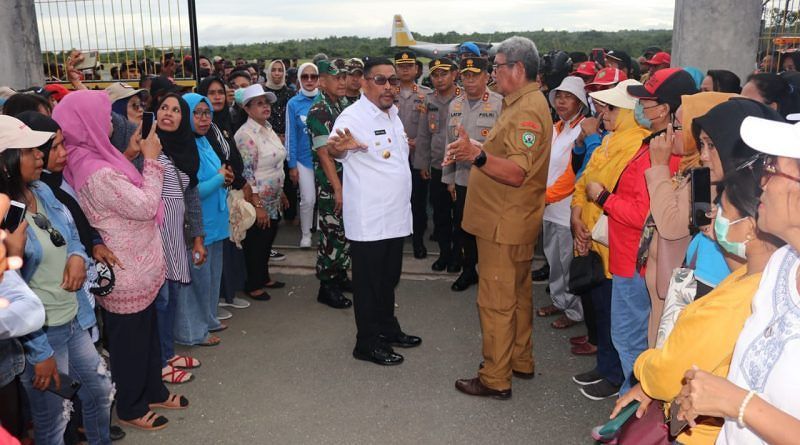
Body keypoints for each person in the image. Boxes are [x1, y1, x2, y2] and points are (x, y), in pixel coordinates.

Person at [611, 166, 782, 445]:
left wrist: (643, 366)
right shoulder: (759, 276)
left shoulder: (738, 299)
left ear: (752, 226)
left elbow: (670, 373)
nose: (714, 216)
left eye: (723, 210)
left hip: (695, 433)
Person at [53, 91, 188, 431]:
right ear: (85, 123)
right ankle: (130, 405)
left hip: (139, 263)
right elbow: (143, 205)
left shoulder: (95, 156)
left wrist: (133, 154)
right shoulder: (94, 170)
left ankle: (153, 390)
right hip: (126, 269)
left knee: (148, 336)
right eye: (101, 116)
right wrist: (153, 161)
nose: (108, 121)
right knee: (130, 344)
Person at [675, 116, 800, 444]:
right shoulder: (783, 265)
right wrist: (713, 395)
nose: (760, 182)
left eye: (771, 169)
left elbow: (744, 400)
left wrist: (737, 403)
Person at [444, 36, 552, 399]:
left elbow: (518, 172)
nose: (493, 74)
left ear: (518, 69)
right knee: (518, 298)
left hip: (503, 223)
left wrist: (477, 155)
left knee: (495, 303)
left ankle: (495, 376)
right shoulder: (521, 102)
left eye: (498, 67)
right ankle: (520, 360)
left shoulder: (526, 109)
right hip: (510, 220)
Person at [0, 115, 114, 444]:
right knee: (53, 422)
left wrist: (77, 256)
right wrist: (39, 354)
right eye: (30, 150)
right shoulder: (7, 214)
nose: (41, 155)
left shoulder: (41, 190)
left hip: (72, 317)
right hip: (42, 336)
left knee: (99, 392)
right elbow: (10, 293)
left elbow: (73, 236)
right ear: (6, 161)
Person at [585, 68, 697, 395]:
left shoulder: (666, 154)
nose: (639, 109)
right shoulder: (654, 143)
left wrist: (603, 197)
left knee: (630, 338)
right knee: (629, 336)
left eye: (644, 102)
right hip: (629, 256)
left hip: (637, 259)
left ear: (664, 109)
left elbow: (643, 215)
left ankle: (632, 408)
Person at [326, 56, 422, 366]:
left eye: (392, 80)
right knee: (368, 285)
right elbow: (334, 148)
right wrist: (342, 147)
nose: (388, 86)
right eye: (380, 80)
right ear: (365, 83)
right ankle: (366, 343)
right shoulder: (352, 117)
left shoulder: (392, 113)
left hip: (395, 217)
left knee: (388, 279)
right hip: (370, 220)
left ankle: (387, 329)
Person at [571, 79, 650, 400]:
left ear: (631, 112)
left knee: (620, 317)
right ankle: (606, 368)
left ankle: (617, 376)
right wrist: (576, 217)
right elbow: (583, 181)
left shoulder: (635, 145)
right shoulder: (608, 141)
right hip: (592, 238)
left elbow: (605, 189)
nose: (603, 112)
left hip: (614, 242)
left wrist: (588, 210)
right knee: (603, 310)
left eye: (612, 107)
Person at [443, 55, 503, 292]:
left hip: (490, 179)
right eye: (465, 75)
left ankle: (490, 273)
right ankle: (469, 271)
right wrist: (448, 180)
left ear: (487, 77)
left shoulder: (499, 104)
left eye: (474, 75)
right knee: (464, 226)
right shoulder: (455, 105)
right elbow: (450, 144)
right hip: (463, 179)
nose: (469, 81)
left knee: (489, 229)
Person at [195, 77, 253, 312]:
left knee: (230, 247)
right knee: (220, 249)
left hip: (230, 189)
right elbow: (218, 163)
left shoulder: (225, 120)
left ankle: (228, 294)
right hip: (217, 191)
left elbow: (232, 155)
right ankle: (219, 298)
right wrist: (231, 178)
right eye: (211, 93)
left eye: (221, 92)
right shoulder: (201, 129)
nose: (218, 96)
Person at [538, 76, 588, 330]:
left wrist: (545, 197)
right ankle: (559, 300)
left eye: (568, 97)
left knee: (568, 262)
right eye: (559, 96)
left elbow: (572, 175)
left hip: (565, 208)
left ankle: (575, 310)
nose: (561, 101)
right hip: (548, 208)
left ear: (579, 102)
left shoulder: (582, 130)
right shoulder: (557, 127)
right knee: (554, 259)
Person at [306, 60, 353, 310]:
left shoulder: (341, 104)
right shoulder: (320, 111)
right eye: (337, 78)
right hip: (330, 183)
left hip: (345, 180)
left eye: (344, 77)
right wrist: (337, 188)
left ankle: (340, 275)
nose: (343, 81)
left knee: (344, 233)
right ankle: (327, 285)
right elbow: (324, 153)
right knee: (331, 234)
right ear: (323, 82)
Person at [234, 85, 288, 301]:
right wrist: (257, 204)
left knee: (267, 239)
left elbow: (276, 162)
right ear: (247, 109)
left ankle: (263, 277)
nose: (265, 107)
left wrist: (282, 192)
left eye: (266, 102)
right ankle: (253, 283)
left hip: (273, 195)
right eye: (258, 103)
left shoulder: (268, 127)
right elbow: (247, 173)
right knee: (256, 242)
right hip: (258, 198)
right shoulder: (245, 135)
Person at [414, 57, 462, 273]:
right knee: (440, 215)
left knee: (460, 216)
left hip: (461, 166)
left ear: (454, 74)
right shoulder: (428, 100)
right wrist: (421, 162)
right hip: (436, 166)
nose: (439, 79)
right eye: (435, 74)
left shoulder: (464, 98)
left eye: (444, 74)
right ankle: (444, 254)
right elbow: (423, 134)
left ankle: (458, 256)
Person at [393, 50, 433, 259]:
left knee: (418, 201)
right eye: (401, 66)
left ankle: (418, 241)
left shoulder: (426, 94)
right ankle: (396, 240)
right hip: (393, 157)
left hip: (418, 155)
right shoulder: (388, 93)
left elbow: (431, 126)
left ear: (417, 69)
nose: (405, 69)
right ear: (396, 69)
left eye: (409, 66)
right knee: (396, 199)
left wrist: (419, 142)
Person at [286, 63, 319, 248]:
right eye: (305, 76)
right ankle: (306, 234)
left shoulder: (324, 99)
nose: (309, 80)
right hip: (303, 160)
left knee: (325, 199)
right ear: (299, 78)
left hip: (324, 159)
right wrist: (292, 165)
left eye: (313, 76)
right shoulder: (293, 104)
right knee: (308, 198)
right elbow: (290, 135)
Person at [264, 59, 297, 226]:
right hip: (267, 142)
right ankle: (272, 217)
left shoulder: (291, 93)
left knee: (289, 179)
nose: (277, 73)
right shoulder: (262, 93)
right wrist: (275, 136)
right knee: (272, 177)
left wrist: (286, 137)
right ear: (269, 72)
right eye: (274, 70)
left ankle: (290, 216)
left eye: (280, 70)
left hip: (288, 141)